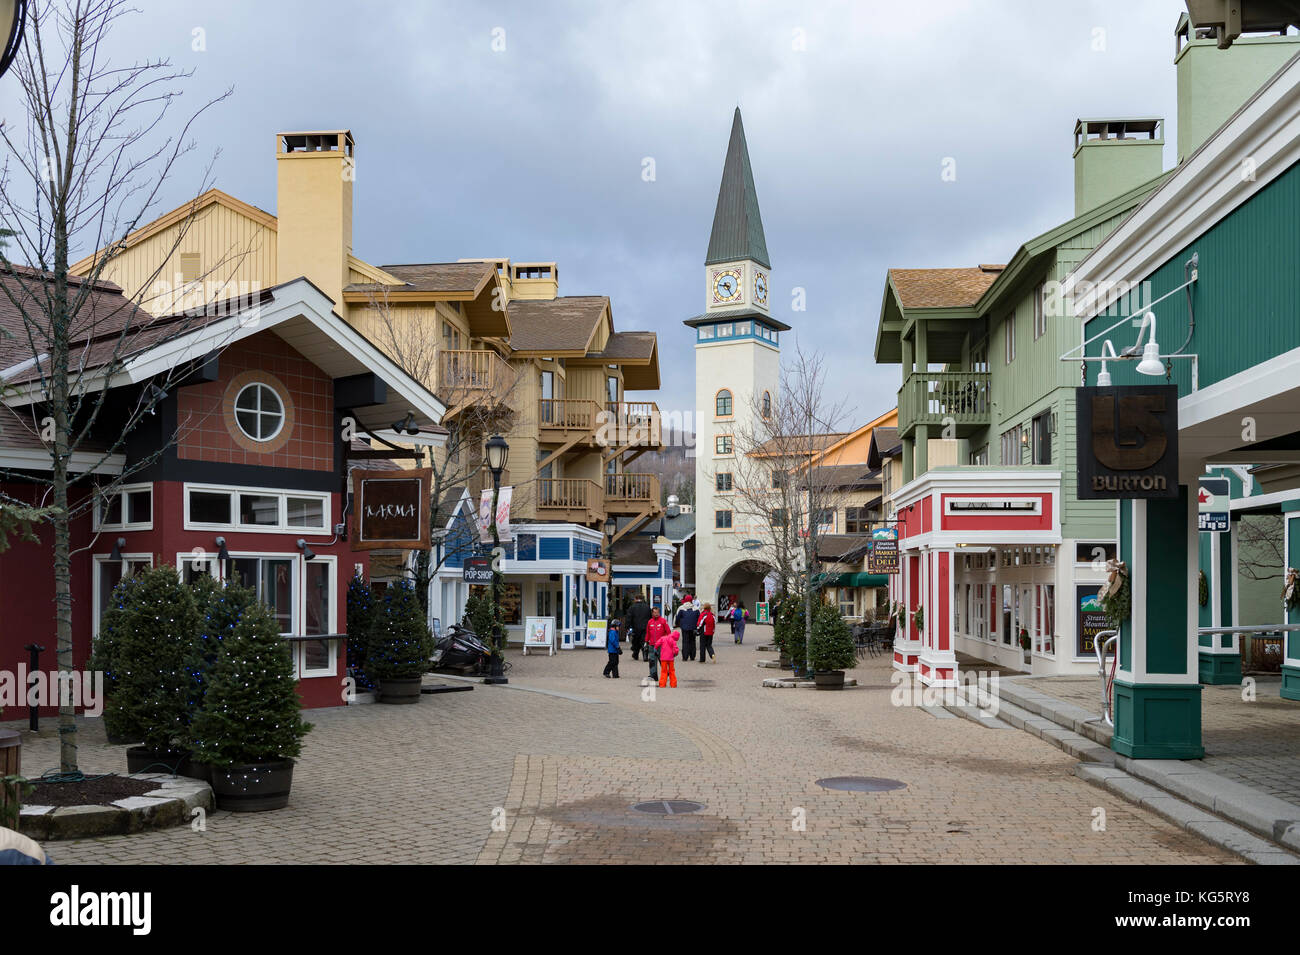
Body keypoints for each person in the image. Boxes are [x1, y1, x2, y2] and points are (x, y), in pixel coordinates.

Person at [644, 605, 670, 684]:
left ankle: (666, 673)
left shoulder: (663, 621)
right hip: (652, 644)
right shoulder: (650, 622)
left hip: (661, 645)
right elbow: (648, 633)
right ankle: (653, 675)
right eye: (654, 612)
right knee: (652, 660)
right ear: (652, 613)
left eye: (657, 612)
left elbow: (668, 632)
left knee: (662, 660)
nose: (656, 614)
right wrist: (646, 642)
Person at [653, 623, 680, 688]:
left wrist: (655, 649)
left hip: (663, 658)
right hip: (670, 658)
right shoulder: (673, 641)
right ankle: (673, 684)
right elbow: (676, 649)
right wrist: (676, 653)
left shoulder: (663, 638)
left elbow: (657, 643)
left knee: (663, 671)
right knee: (672, 671)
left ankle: (662, 684)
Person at [625, 594, 651, 661]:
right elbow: (650, 617)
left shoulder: (632, 607)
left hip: (635, 627)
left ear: (636, 599)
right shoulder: (647, 607)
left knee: (635, 642)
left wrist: (627, 627)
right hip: (645, 627)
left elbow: (629, 618)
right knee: (644, 641)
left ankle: (635, 654)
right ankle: (645, 655)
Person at [674, 595, 699, 662]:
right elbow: (698, 618)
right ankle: (692, 656)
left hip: (684, 627)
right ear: (691, 600)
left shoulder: (681, 608)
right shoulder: (696, 608)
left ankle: (685, 657)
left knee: (685, 642)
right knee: (692, 641)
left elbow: (677, 617)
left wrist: (677, 624)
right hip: (693, 627)